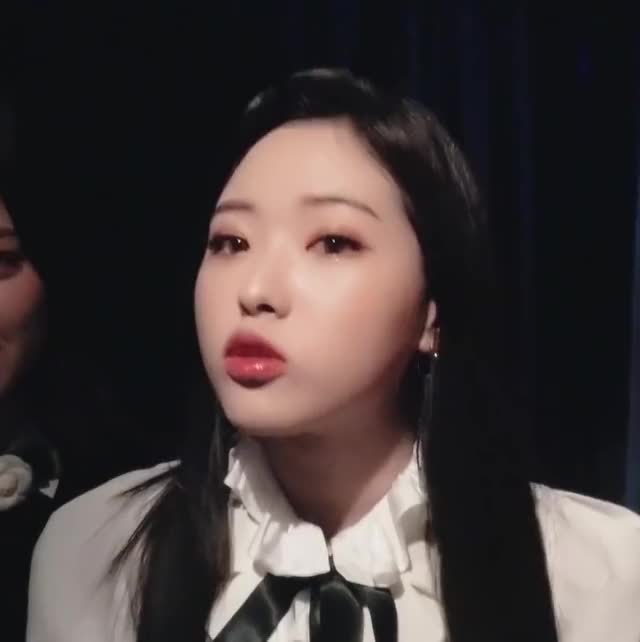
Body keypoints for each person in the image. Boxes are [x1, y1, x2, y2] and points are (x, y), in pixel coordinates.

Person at [27, 69, 640, 642]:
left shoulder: (600, 569)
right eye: (231, 241)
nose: (255, 290)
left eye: (333, 242)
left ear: (433, 311)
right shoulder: (96, 548)